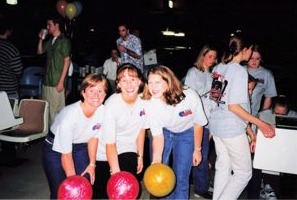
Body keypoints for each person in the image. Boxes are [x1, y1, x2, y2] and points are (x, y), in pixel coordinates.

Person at [208, 35, 276, 200]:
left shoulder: (219, 67)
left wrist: (250, 130)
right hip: (231, 128)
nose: (251, 53)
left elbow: (218, 100)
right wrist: (262, 124)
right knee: (244, 173)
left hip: (216, 125)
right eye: (251, 49)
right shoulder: (239, 70)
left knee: (223, 166)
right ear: (245, 50)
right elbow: (234, 106)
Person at [142, 65, 208, 199]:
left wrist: (197, 150)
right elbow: (157, 136)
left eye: (157, 82)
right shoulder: (150, 103)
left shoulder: (189, 96)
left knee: (181, 177)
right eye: (150, 82)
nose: (153, 87)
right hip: (165, 132)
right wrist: (156, 161)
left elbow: (198, 124)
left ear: (168, 81)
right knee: (162, 174)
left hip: (187, 133)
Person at [42, 73, 108, 199]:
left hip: (80, 146)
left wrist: (92, 165)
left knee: (85, 185)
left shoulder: (102, 111)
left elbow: (94, 137)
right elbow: (66, 154)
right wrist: (73, 183)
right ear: (83, 93)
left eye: (100, 91)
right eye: (91, 90)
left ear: (105, 95)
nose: (96, 95)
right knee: (61, 191)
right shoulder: (70, 115)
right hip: (55, 149)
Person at [93, 63, 147, 199]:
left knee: (126, 191)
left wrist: (140, 156)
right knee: (103, 194)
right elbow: (110, 143)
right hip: (105, 152)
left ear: (139, 81)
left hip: (128, 149)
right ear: (118, 84)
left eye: (132, 80)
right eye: (124, 80)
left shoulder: (144, 101)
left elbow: (141, 129)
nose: (129, 85)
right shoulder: (112, 105)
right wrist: (116, 172)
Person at [184, 44, 217, 198]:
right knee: (194, 155)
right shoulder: (193, 72)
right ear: (202, 55)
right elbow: (188, 98)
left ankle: (200, 187)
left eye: (214, 57)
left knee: (202, 155)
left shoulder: (213, 75)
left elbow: (213, 101)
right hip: (194, 121)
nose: (212, 60)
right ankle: (196, 188)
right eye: (209, 56)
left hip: (208, 120)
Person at [37, 15, 71, 124]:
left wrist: (61, 82)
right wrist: (41, 39)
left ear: (56, 25)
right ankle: (49, 135)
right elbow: (39, 51)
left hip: (56, 82)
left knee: (55, 112)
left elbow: (67, 61)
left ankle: (54, 137)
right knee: (47, 111)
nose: (47, 27)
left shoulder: (64, 41)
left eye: (49, 25)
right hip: (47, 81)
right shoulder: (51, 40)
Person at [246, 45, 277, 121]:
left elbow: (269, 97)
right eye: (251, 58)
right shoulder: (240, 70)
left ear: (261, 59)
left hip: (252, 115)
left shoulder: (267, 74)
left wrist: (263, 116)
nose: (254, 61)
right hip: (236, 112)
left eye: (257, 59)